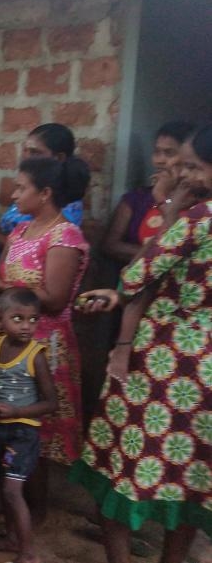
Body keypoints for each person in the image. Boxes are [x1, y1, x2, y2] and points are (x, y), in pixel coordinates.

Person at [70, 124, 212, 563]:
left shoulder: (199, 217)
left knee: (125, 462)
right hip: (203, 366)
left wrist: (169, 207)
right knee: (187, 474)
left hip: (163, 358)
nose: (185, 174)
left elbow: (139, 272)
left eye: (194, 166)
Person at [0, 156, 90, 489]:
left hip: (42, 347)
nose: (13, 195)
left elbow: (54, 299)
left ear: (45, 193)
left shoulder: (65, 236)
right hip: (7, 342)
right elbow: (5, 280)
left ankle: (34, 508)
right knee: (5, 420)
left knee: (36, 429)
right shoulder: (20, 231)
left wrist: (2, 287)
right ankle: (11, 501)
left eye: (21, 188)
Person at [0, 288, 57, 563]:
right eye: (18, 318)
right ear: (0, 318)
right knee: (2, 487)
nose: (26, 326)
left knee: (12, 491)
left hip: (22, 433)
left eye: (33, 319)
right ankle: (10, 538)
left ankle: (28, 554)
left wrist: (17, 411)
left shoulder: (35, 355)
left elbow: (51, 402)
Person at [0, 124, 85, 266]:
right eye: (25, 151)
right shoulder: (30, 191)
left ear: (59, 158)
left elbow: (32, 249)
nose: (26, 158)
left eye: (35, 153)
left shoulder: (65, 206)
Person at [101, 120, 195, 264]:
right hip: (135, 275)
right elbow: (110, 246)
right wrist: (151, 253)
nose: (160, 160)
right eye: (157, 152)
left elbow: (181, 245)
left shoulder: (197, 202)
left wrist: (161, 196)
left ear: (188, 158)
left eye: (169, 153)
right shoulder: (136, 199)